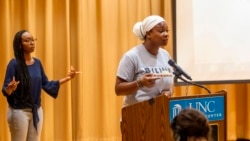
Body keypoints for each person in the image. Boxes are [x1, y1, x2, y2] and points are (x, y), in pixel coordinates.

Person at [2, 30, 78, 141]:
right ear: (19, 45)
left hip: (36, 111)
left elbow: (46, 84)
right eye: (27, 40)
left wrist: (68, 78)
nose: (32, 43)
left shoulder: (37, 63)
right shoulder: (14, 64)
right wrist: (10, 89)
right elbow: (5, 90)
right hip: (19, 112)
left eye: (33, 40)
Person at [115, 15, 174, 108]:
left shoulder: (165, 55)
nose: (166, 34)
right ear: (148, 34)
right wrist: (140, 83)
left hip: (160, 113)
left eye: (167, 31)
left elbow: (170, 83)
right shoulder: (131, 56)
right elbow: (118, 89)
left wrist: (169, 93)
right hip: (137, 115)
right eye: (161, 31)